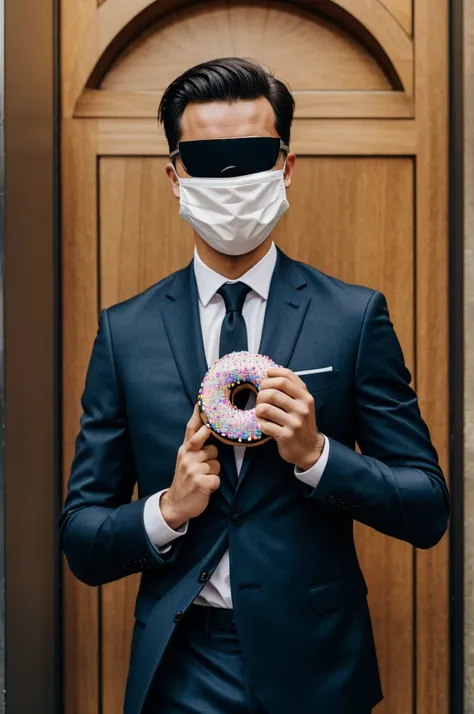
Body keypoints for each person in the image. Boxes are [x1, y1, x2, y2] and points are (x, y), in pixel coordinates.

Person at [60, 57, 449, 714]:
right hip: (182, 666)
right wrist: (168, 509)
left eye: (252, 156)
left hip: (318, 666)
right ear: (174, 174)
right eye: (209, 160)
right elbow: (83, 538)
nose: (232, 180)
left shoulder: (353, 318)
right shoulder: (125, 332)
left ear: (286, 166)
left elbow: (428, 508)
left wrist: (317, 457)